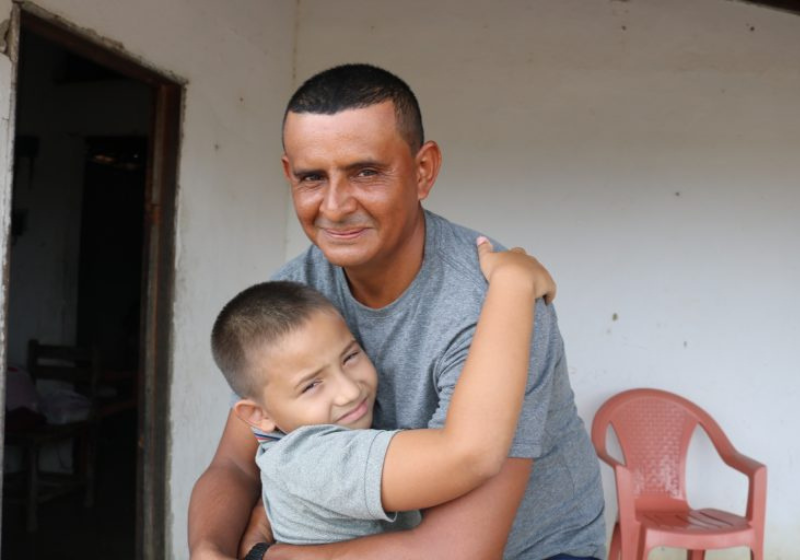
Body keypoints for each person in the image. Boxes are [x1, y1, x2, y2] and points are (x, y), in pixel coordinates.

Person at [188, 63, 606, 560]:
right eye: (312, 178)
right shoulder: (293, 298)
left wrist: (270, 557)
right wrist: (208, 550)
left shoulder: (497, 305)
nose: (336, 205)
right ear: (288, 176)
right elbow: (236, 465)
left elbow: (460, 550)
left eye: (366, 172)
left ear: (423, 170)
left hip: (530, 550)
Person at [211, 237, 551, 548]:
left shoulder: (292, 450)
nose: (348, 391)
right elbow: (469, 454)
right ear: (258, 416)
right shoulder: (313, 457)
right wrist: (512, 286)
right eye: (312, 385)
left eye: (350, 356)